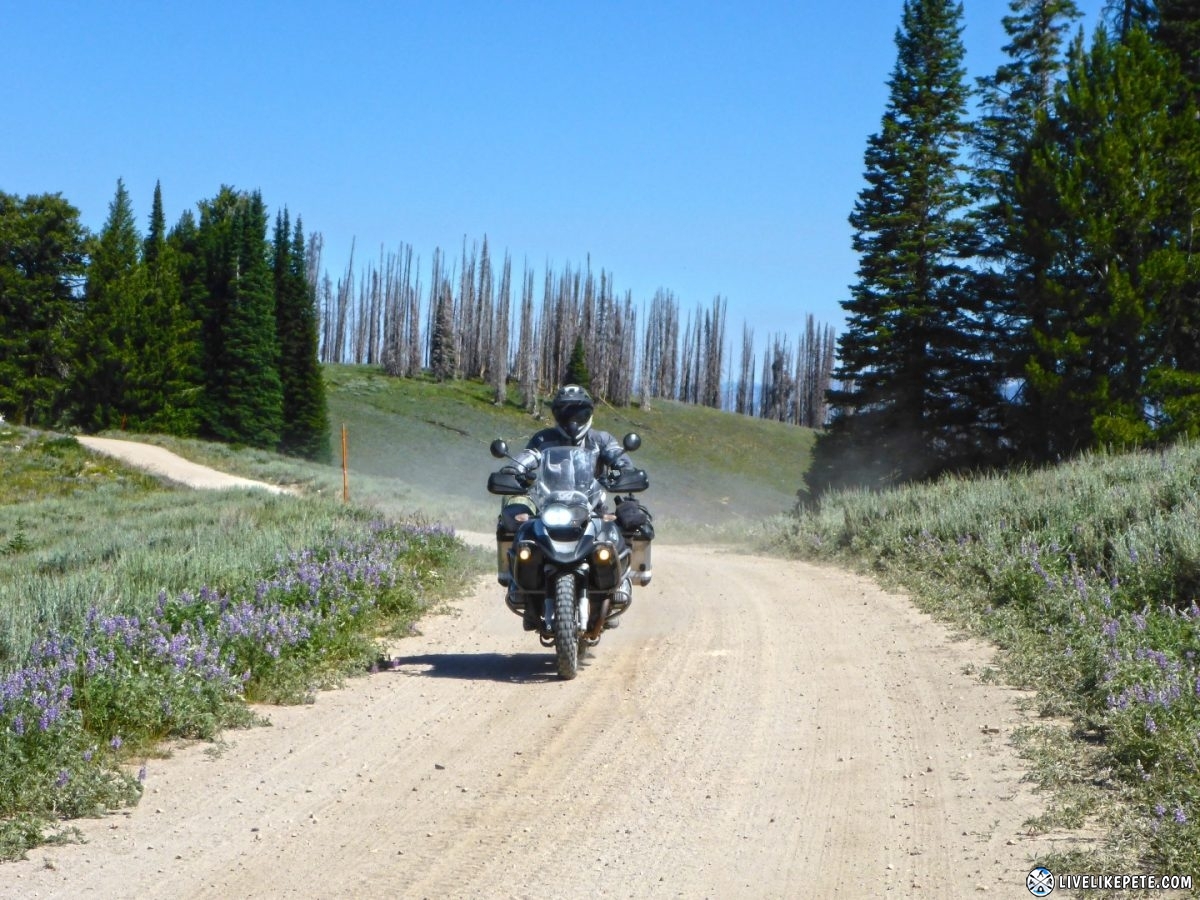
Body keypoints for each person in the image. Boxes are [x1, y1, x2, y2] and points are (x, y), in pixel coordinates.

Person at [497, 384, 648, 629]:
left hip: (591, 508)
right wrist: (513, 469)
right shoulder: (544, 439)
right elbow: (529, 456)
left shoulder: (601, 440)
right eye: (566, 414)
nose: (573, 421)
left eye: (579, 414)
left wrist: (625, 470)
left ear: (588, 414)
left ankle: (617, 585)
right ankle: (523, 589)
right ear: (557, 415)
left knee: (616, 533)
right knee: (521, 533)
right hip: (550, 508)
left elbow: (618, 457)